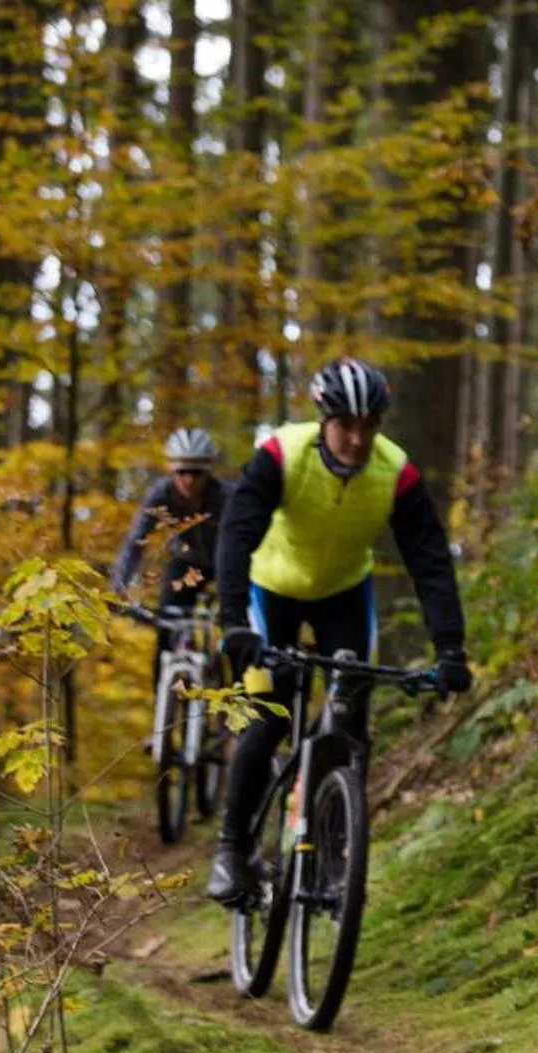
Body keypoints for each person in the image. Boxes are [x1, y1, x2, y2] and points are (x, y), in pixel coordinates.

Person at [205, 357, 473, 904]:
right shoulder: (282, 454)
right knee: (267, 717)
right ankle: (232, 851)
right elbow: (236, 533)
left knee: (351, 726)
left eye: (368, 426)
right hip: (269, 591)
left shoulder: (395, 472)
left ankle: (330, 851)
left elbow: (430, 563)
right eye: (346, 425)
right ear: (325, 420)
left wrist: (450, 648)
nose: (356, 438)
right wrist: (233, 620)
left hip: (343, 596)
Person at [110, 428, 228, 689]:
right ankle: (160, 710)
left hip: (225, 564)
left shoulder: (225, 497)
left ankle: (237, 708)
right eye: (181, 472)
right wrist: (119, 587)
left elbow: (244, 543)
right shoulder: (160, 495)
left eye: (196, 472)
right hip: (185, 564)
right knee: (166, 632)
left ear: (208, 471)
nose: (188, 479)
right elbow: (134, 543)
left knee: (236, 634)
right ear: (172, 470)